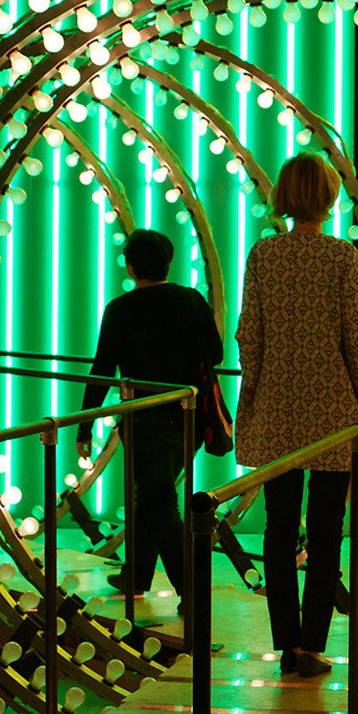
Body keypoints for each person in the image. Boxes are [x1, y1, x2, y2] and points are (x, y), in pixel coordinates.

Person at [235, 152, 358, 678]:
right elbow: (356, 341)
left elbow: (249, 335)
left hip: (277, 410)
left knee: (277, 531)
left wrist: (256, 392)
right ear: (328, 197)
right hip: (332, 412)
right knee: (325, 532)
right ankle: (313, 645)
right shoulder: (342, 256)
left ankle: (286, 644)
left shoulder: (263, 254)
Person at [77, 229, 223, 611]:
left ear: (130, 266)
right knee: (153, 495)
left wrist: (84, 426)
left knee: (159, 503)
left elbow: (102, 369)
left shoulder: (120, 308)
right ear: (168, 263)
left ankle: (192, 589)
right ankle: (136, 575)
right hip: (189, 419)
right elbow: (217, 353)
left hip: (143, 420)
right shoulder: (191, 300)